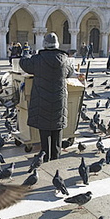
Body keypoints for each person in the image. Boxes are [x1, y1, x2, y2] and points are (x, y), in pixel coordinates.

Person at [19, 32, 74, 162]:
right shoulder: (64, 59)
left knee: (44, 130)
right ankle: (56, 157)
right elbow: (70, 72)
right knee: (57, 129)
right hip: (59, 100)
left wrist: (26, 52)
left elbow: (24, 64)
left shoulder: (38, 59)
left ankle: (45, 156)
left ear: (44, 45)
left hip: (42, 100)